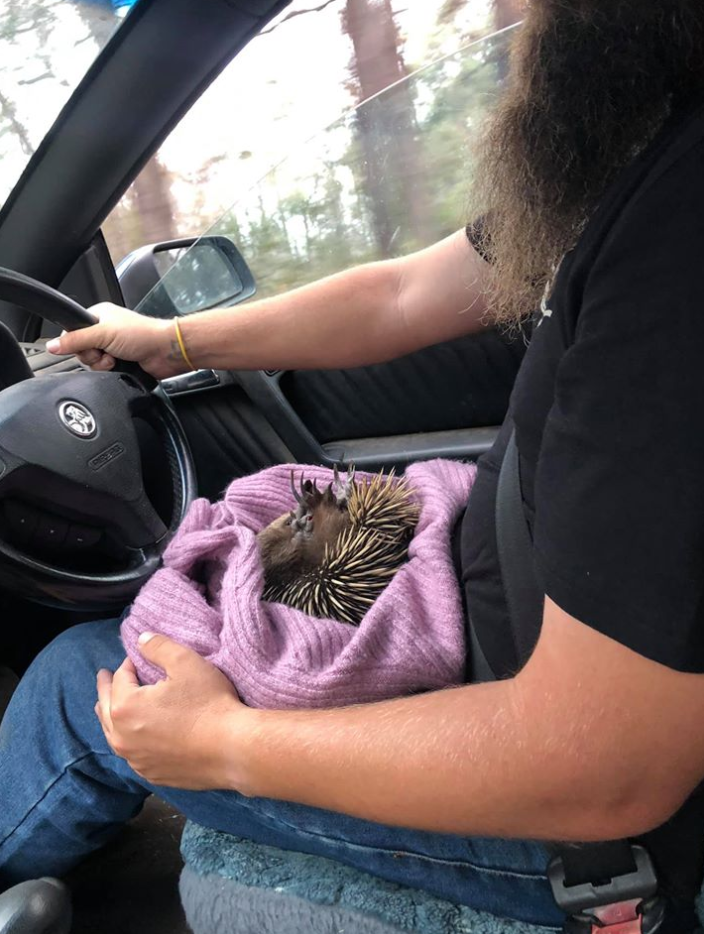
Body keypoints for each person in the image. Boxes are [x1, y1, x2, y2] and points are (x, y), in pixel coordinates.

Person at [3, 0, 704, 929]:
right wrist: (171, 337)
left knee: (74, 687)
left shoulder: (681, 237)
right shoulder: (635, 162)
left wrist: (221, 743)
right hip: (489, 630)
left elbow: (608, 772)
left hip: (584, 823)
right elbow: (405, 292)